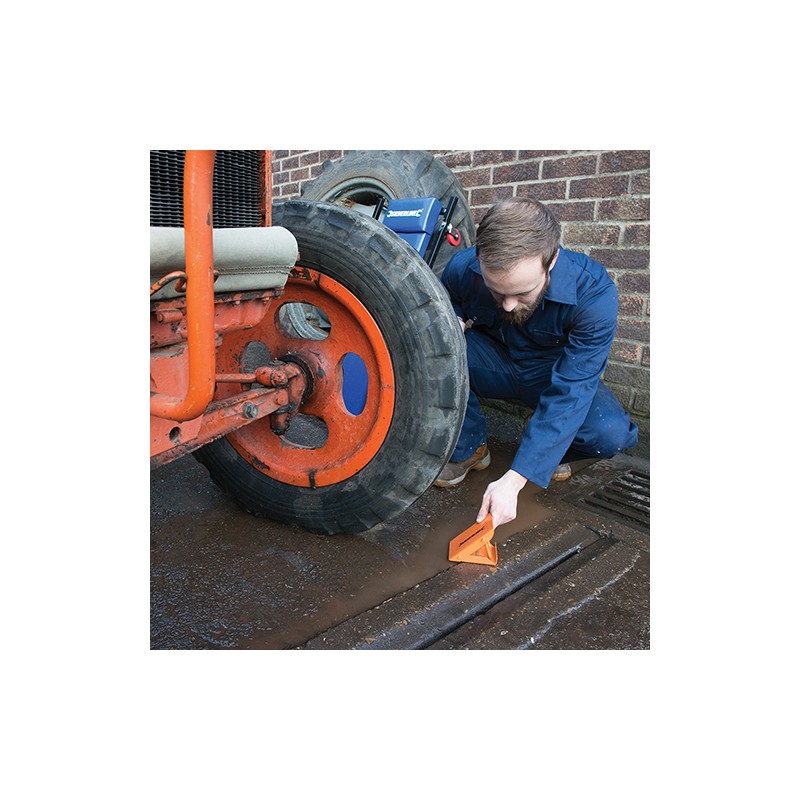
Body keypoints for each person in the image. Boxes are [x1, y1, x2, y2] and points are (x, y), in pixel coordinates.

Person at [436, 197, 638, 527]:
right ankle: (470, 447)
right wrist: (454, 320)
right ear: (480, 260)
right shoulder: (462, 268)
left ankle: (545, 444)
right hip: (493, 361)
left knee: (609, 434)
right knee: (437, 352)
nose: (508, 305)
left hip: (552, 375)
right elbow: (448, 302)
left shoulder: (594, 293)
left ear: (551, 260)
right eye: (497, 292)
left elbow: (574, 389)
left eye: (522, 293)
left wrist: (516, 479)